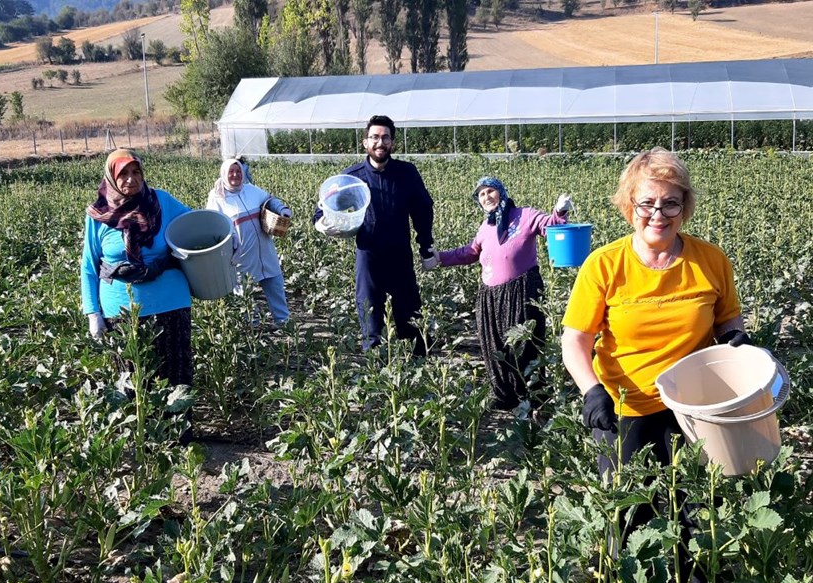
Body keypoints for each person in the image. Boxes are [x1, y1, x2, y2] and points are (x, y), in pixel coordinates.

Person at [560, 148, 749, 583]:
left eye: (671, 203)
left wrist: (737, 339)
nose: (658, 214)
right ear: (629, 206)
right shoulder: (605, 265)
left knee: (698, 517)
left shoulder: (709, 260)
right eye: (647, 203)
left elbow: (728, 320)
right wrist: (591, 391)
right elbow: (575, 341)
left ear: (685, 206)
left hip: (697, 410)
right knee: (631, 521)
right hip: (627, 409)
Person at [431, 177, 572, 414]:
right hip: (490, 295)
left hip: (521, 289)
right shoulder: (485, 228)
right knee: (494, 344)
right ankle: (503, 395)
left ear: (501, 192)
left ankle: (531, 395)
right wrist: (440, 258)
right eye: (481, 195)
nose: (486, 197)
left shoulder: (524, 215)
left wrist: (560, 211)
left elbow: (550, 226)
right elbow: (470, 252)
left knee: (524, 343)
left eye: (490, 191)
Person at [312, 115, 437, 357]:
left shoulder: (407, 173)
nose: (380, 142)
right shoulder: (352, 178)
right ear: (365, 142)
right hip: (368, 256)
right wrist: (323, 223)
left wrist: (426, 248)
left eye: (385, 137)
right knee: (370, 316)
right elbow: (323, 208)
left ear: (393, 142)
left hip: (400, 255)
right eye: (375, 137)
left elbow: (423, 211)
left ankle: (419, 371)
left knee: (410, 317)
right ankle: (377, 375)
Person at [81, 148, 195, 395]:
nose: (131, 179)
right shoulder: (97, 216)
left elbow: (196, 225)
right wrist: (93, 313)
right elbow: (89, 266)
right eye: (123, 173)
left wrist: (228, 235)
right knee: (132, 385)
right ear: (111, 177)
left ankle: (178, 434)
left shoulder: (162, 201)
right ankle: (140, 435)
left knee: (176, 382)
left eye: (136, 172)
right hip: (121, 311)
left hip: (170, 305)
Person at [206, 158, 292, 327]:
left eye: (238, 171)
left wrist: (282, 209)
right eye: (231, 171)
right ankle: (253, 329)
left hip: (265, 249)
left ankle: (284, 325)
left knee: (275, 285)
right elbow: (213, 226)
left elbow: (270, 200)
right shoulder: (217, 199)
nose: (235, 175)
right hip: (241, 255)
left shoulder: (251, 190)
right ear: (224, 173)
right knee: (245, 293)